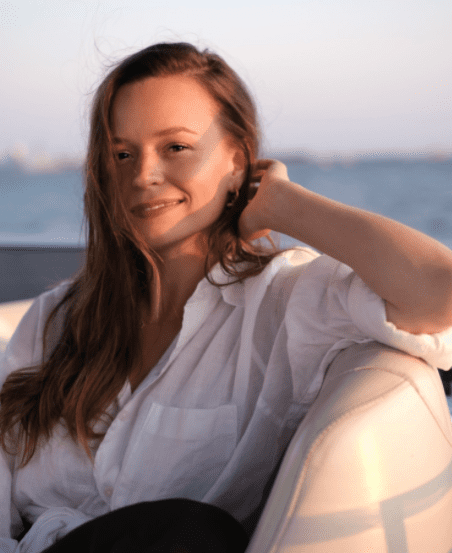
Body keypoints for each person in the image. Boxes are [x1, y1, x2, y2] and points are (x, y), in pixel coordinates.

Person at [1, 41, 452, 553]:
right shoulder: (56, 320)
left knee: (195, 532)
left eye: (176, 147)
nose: (142, 175)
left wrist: (284, 205)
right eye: (121, 154)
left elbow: (439, 292)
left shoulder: (285, 304)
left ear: (237, 161)